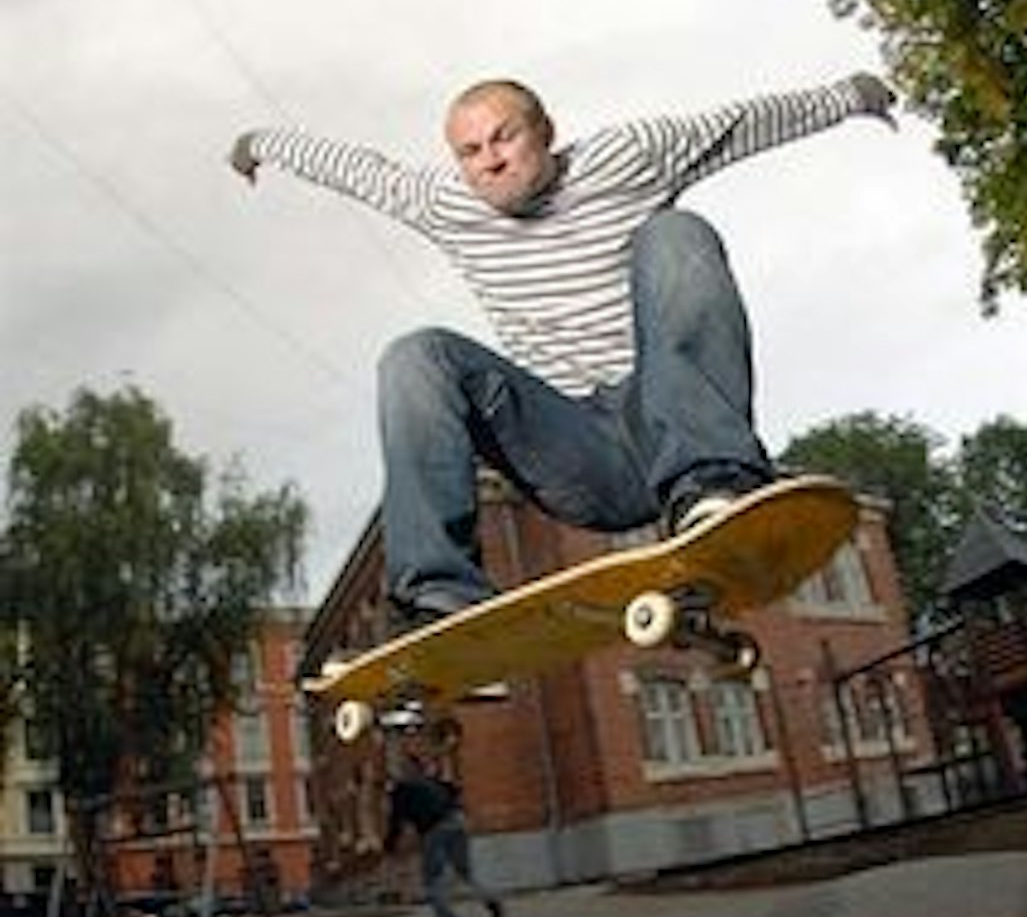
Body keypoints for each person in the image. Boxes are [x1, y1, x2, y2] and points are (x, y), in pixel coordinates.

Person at [229, 69, 895, 629]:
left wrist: (854, 95)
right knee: (415, 355)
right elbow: (358, 171)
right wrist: (259, 142)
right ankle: (438, 590)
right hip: (577, 454)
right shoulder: (447, 204)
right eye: (469, 151)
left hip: (668, 414)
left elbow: (742, 124)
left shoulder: (629, 155)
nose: (489, 161)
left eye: (504, 138)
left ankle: (713, 483)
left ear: (545, 132)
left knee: (675, 233)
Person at [383, 760, 504, 917]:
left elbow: (396, 821)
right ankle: (490, 899)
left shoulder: (401, 790)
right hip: (457, 821)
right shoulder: (432, 781)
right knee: (465, 871)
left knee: (432, 879)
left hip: (434, 829)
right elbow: (455, 790)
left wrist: (389, 846)